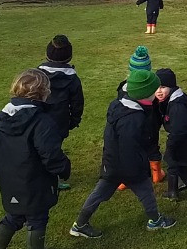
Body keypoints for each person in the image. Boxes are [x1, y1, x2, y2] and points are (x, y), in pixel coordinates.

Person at [0, 68, 71, 249]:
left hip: (10, 180)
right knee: (37, 215)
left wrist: (1, 166)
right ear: (44, 93)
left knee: (14, 214)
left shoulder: (2, 118)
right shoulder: (42, 121)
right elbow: (50, 153)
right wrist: (64, 168)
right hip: (35, 180)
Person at [69, 68, 176, 238]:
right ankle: (156, 220)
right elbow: (129, 146)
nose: (156, 94)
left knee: (99, 194)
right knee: (146, 192)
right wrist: (138, 168)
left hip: (112, 163)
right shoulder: (133, 118)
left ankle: (80, 223)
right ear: (144, 95)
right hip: (129, 166)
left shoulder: (120, 105)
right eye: (152, 92)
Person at [38, 34, 84, 191]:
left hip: (39, 119)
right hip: (58, 120)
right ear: (69, 57)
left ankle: (48, 178)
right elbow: (78, 103)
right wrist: (75, 119)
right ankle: (51, 180)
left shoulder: (37, 74)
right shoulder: (73, 79)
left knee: (40, 148)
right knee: (53, 150)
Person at [154, 68, 187, 200]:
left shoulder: (177, 106)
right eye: (156, 88)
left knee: (172, 160)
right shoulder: (174, 98)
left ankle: (172, 191)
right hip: (185, 135)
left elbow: (179, 130)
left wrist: (171, 145)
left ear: (172, 87)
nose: (158, 91)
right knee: (180, 160)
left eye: (163, 87)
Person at [116, 45, 165, 185]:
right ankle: (156, 174)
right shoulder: (154, 86)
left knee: (127, 148)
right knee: (152, 146)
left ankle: (124, 180)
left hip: (128, 124)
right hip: (150, 124)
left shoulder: (124, 87)